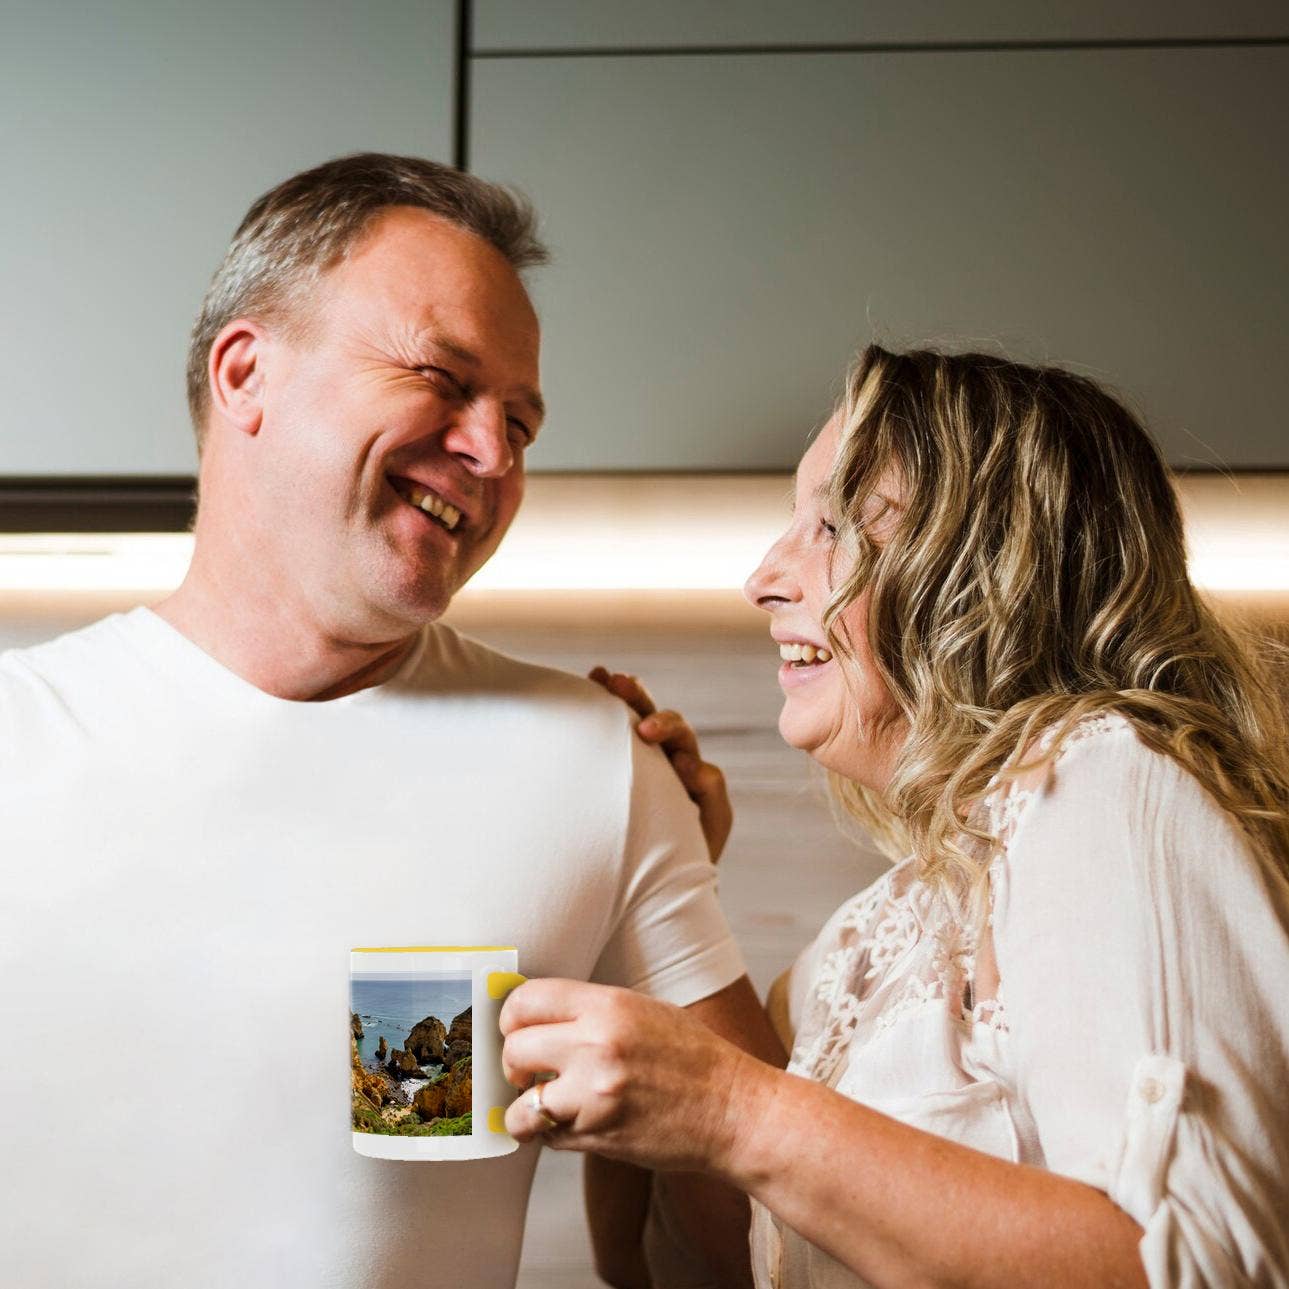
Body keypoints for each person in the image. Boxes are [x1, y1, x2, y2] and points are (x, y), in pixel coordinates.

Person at [0, 153, 782, 1288]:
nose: (492, 452)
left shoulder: (593, 762)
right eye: (442, 377)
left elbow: (748, 1248)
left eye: (519, 418)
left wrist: (646, 927)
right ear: (245, 372)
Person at [504, 345, 1289, 1287]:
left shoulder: (1103, 778)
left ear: (984, 567)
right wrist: (656, 880)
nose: (762, 575)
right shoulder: (862, 944)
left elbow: (1206, 1266)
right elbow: (682, 1268)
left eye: (831, 524)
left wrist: (734, 1110)